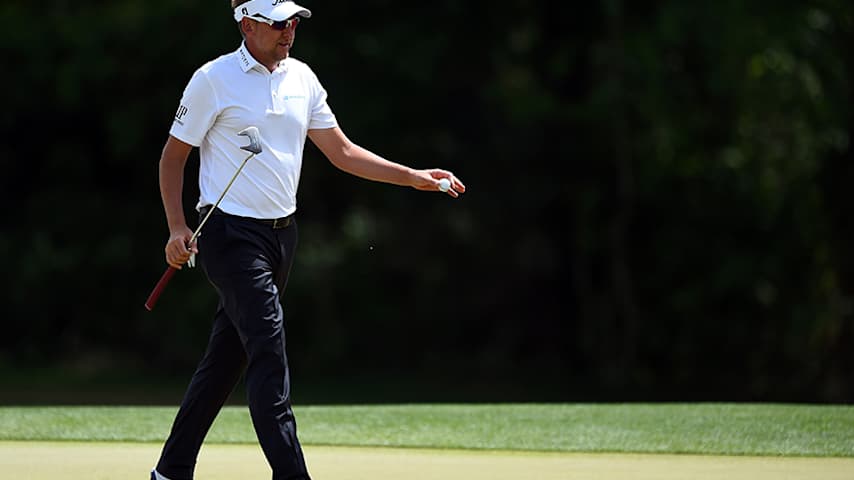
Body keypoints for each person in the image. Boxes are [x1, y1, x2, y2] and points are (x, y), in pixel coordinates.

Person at [150, 1, 465, 479]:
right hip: (228, 235)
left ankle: (170, 471)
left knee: (225, 360)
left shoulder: (302, 77)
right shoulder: (213, 79)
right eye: (278, 22)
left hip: (282, 237)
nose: (289, 31)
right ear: (247, 23)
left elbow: (341, 152)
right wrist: (177, 226)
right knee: (269, 354)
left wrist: (412, 177)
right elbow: (173, 158)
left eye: (293, 22)